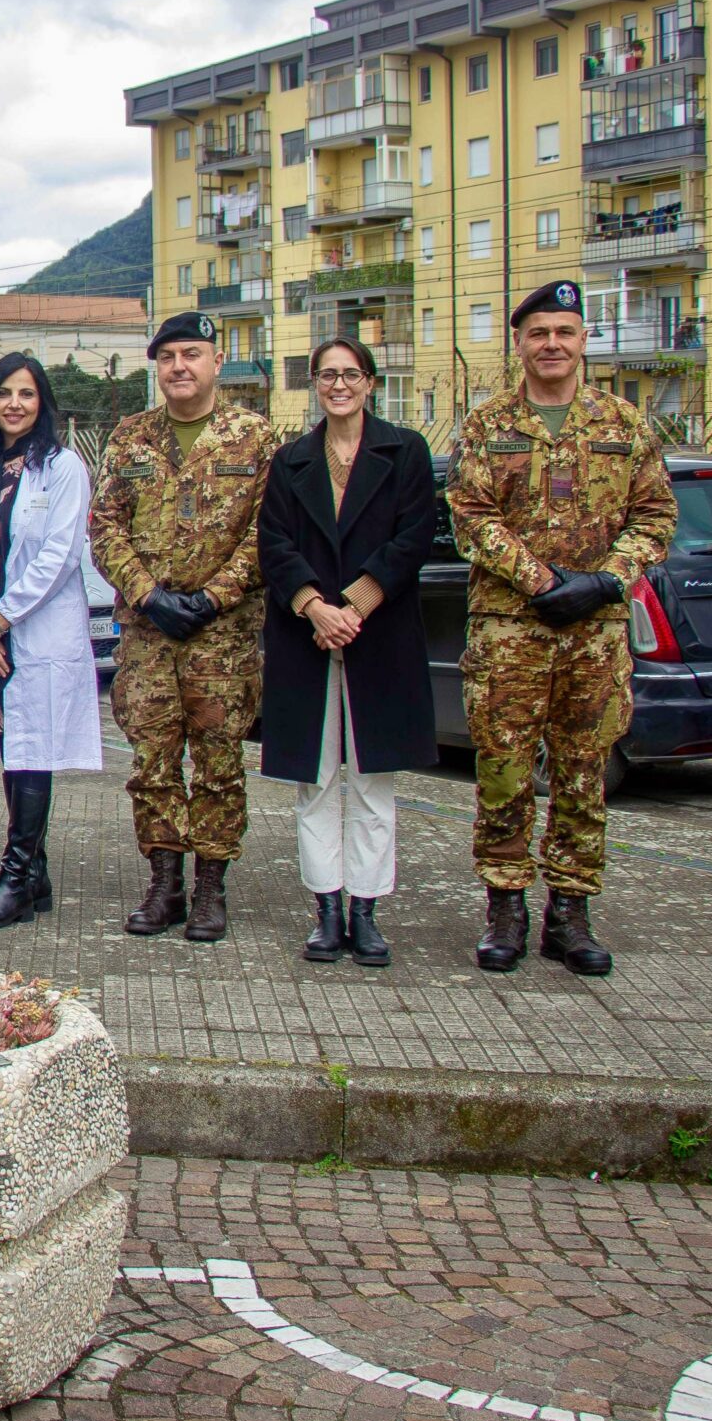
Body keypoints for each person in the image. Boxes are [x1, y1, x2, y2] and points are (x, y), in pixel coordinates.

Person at [446, 279, 675, 975]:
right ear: (519, 343)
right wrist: (545, 582)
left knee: (582, 773)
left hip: (595, 632)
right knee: (505, 770)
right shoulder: (487, 425)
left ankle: (570, 912)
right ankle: (506, 906)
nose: (552, 344)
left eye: (564, 332)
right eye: (538, 333)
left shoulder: (624, 425)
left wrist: (606, 579)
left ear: (584, 340)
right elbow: (471, 516)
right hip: (510, 628)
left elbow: (657, 516)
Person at [88, 310, 278, 943]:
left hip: (220, 636)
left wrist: (216, 596)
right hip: (147, 636)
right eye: (167, 357)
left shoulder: (255, 439)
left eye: (191, 354)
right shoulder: (130, 436)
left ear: (216, 361)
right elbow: (105, 526)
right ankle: (164, 883)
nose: (179, 367)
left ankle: (210, 889)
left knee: (220, 764)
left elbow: (267, 534)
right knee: (153, 763)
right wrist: (146, 594)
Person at [258, 338, 438, 967]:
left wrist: (355, 605)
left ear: (370, 382)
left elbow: (415, 535)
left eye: (350, 374)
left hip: (377, 636)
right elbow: (273, 544)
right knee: (315, 781)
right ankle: (325, 911)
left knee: (371, 783)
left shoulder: (405, 451)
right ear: (315, 384)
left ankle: (367, 912)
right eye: (327, 375)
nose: (339, 385)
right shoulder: (290, 460)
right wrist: (315, 607)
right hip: (307, 638)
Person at [0, 353, 101, 931]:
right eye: (4, 393)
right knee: (12, 746)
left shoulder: (62, 469)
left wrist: (1, 620)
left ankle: (16, 879)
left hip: (32, 631)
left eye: (27, 394)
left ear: (43, 403)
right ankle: (36, 872)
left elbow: (59, 556)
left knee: (32, 747)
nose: (15, 404)